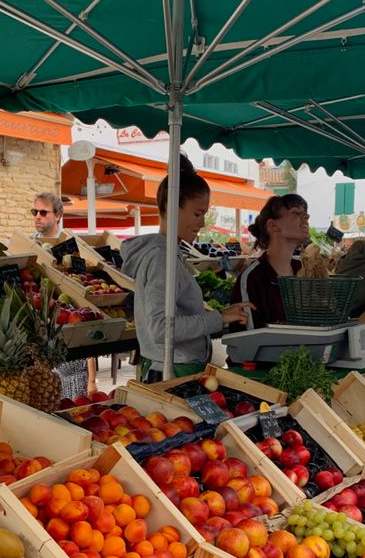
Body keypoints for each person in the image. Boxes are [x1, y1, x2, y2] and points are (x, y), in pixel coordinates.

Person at [120, 155, 251, 381]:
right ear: (171, 207)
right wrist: (218, 318)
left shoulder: (169, 253)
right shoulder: (162, 258)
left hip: (176, 366)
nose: (201, 223)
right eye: (198, 214)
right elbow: (161, 329)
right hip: (170, 372)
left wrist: (217, 315)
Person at [29, 191, 97, 399]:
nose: (37, 216)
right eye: (34, 211)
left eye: (43, 212)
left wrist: (92, 379)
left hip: (70, 338)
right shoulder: (29, 247)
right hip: (41, 341)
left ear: (57, 215)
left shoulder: (71, 246)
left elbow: (84, 300)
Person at [230, 193, 310, 327]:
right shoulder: (252, 278)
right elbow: (245, 337)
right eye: (296, 213)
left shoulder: (305, 271)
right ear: (273, 225)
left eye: (306, 214)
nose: (306, 218)